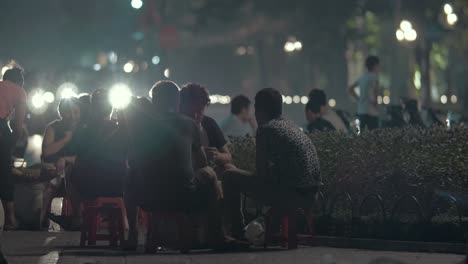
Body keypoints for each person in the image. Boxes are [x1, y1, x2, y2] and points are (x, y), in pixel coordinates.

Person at [125, 81, 245, 250]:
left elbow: (132, 160)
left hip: (148, 197)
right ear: (177, 102)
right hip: (183, 196)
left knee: (130, 174)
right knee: (209, 173)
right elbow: (203, 163)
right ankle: (217, 235)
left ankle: (132, 236)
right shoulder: (188, 124)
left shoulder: (139, 126)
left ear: (154, 101)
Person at [223, 88, 321, 239]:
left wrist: (237, 171)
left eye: (255, 109)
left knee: (229, 176)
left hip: (289, 195)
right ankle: (270, 230)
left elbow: (262, 175)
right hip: (310, 195)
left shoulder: (266, 129)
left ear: (261, 111)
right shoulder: (292, 126)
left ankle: (238, 233)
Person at [40, 98, 80, 228]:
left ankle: (76, 218)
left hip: (74, 170)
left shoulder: (83, 128)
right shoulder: (53, 127)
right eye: (68, 112)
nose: (72, 116)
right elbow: (46, 152)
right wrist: (65, 139)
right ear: (61, 113)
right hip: (54, 169)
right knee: (50, 184)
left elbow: (85, 156)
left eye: (75, 112)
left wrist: (66, 159)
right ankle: (41, 219)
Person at [179, 83, 235, 174]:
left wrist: (216, 156)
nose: (195, 116)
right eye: (191, 112)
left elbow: (228, 156)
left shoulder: (209, 123)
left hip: (210, 172)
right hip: (188, 174)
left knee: (230, 168)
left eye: (200, 112)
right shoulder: (175, 127)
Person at [0, 68, 27, 232]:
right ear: (20, 81)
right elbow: (17, 127)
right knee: (4, 173)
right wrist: (10, 144)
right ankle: (10, 220)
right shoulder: (20, 91)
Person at [348, 55, 381, 130]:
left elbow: (350, 89)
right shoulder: (375, 77)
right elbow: (376, 92)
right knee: (374, 135)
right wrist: (376, 104)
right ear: (375, 66)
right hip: (372, 111)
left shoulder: (362, 77)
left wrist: (359, 99)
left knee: (361, 134)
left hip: (361, 110)